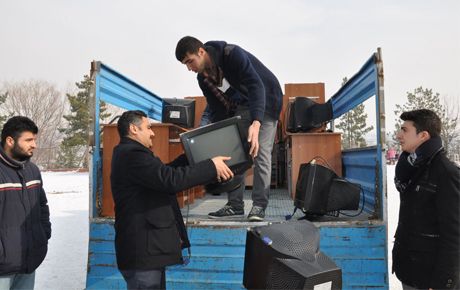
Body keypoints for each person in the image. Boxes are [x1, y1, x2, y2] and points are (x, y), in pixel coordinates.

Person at [110, 110, 233, 289]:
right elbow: (169, 180)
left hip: (147, 255)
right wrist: (210, 167)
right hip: (142, 256)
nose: (152, 132)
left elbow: (162, 175)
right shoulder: (132, 155)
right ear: (133, 129)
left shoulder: (132, 154)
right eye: (148, 127)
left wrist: (190, 158)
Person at [175, 36, 283, 221]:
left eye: (190, 61)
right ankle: (235, 205)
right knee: (233, 151)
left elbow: (256, 86)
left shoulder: (232, 54)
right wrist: (218, 136)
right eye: (185, 64)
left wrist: (256, 123)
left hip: (267, 98)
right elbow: (217, 110)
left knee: (260, 151)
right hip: (243, 104)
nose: (189, 68)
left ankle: (258, 206)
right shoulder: (203, 79)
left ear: (201, 51)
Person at [392, 109, 460, 289]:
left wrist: (442, 283)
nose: (398, 135)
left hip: (430, 278)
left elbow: (454, 235)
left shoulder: (446, 173)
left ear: (423, 135)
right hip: (410, 270)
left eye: (404, 130)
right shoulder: (410, 166)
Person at [0, 116, 51, 290]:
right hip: (2, 267)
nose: (34, 145)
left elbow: (42, 205)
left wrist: (43, 234)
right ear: (10, 141)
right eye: (28, 140)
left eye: (34, 140)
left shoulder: (32, 170)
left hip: (29, 260)